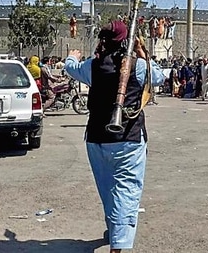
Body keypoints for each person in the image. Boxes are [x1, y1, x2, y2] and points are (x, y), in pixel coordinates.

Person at [64, 20, 165, 252]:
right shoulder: (138, 66)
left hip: (97, 139)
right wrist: (142, 53)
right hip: (128, 139)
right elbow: (158, 77)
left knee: (108, 189)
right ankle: (118, 245)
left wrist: (72, 56)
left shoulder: (93, 65)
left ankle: (114, 229)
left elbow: (71, 68)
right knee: (126, 190)